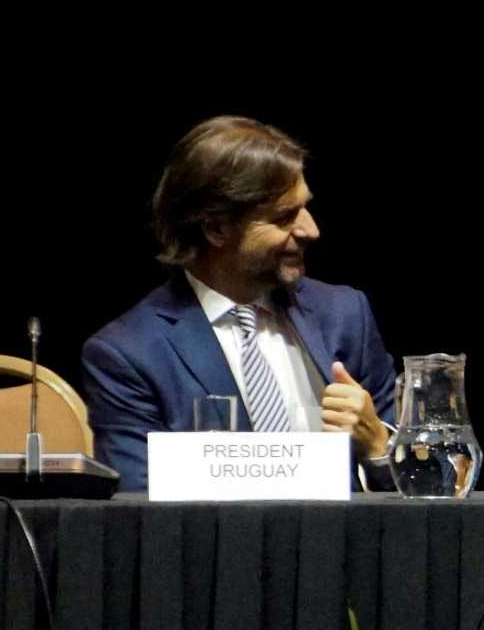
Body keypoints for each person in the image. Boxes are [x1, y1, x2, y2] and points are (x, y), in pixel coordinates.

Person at [82, 115, 397, 492]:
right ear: (216, 228)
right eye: (284, 218)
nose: (311, 230)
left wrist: (377, 446)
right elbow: (138, 509)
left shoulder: (345, 315)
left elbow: (420, 487)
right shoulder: (129, 354)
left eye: (305, 207)